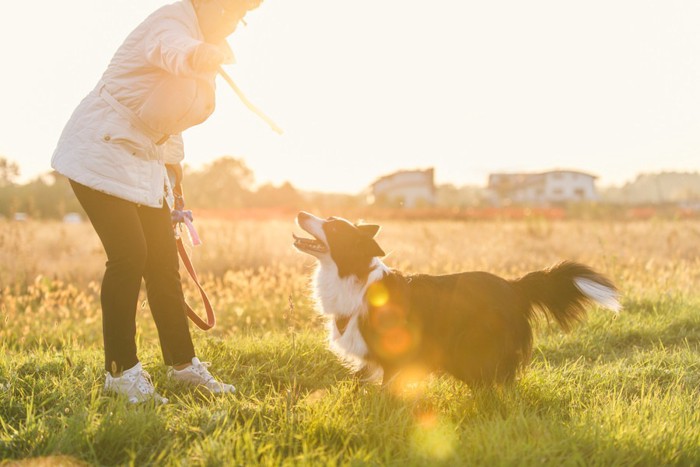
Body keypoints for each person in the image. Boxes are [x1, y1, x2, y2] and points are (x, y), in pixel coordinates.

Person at [51, 0, 263, 404]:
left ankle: (183, 365)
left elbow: (172, 118)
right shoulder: (172, 24)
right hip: (100, 147)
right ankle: (120, 372)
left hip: (145, 162)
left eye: (243, 18)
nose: (236, 25)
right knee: (130, 255)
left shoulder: (202, 41)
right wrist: (199, 54)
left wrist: (174, 178)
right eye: (234, 12)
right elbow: (171, 49)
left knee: (163, 264)